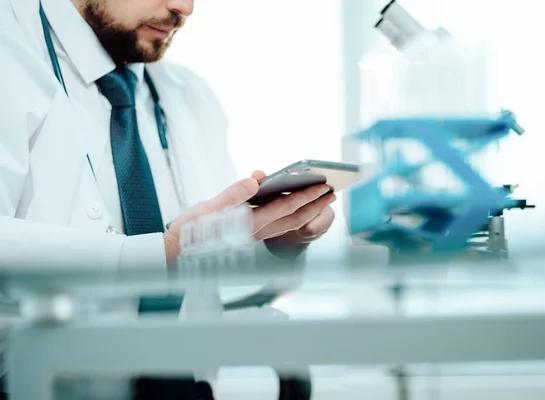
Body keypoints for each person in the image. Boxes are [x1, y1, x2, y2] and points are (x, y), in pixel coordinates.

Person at [0, 0, 335, 398]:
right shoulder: (11, 51)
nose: (185, 7)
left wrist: (279, 243)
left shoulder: (189, 96)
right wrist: (166, 252)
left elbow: (225, 298)